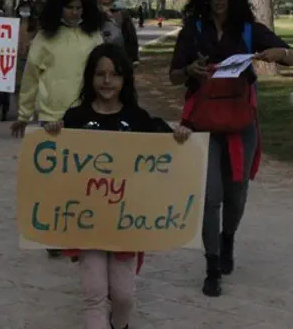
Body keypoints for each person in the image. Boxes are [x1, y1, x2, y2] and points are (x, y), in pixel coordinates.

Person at [168, 0, 293, 297]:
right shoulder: (194, 30)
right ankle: (212, 267)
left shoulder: (248, 29)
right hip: (204, 124)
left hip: (240, 123)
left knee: (236, 194)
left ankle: (227, 239)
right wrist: (190, 70)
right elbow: (173, 75)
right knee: (211, 197)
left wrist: (280, 54)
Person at [44, 44, 191, 329]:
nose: (107, 81)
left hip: (126, 224)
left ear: (125, 79)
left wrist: (180, 136)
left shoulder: (139, 119)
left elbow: (167, 149)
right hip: (86, 223)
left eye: (115, 74)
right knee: (94, 292)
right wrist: (53, 133)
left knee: (123, 295)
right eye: (100, 74)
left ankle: (120, 324)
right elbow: (58, 161)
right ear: (90, 77)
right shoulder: (74, 119)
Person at [11, 0, 103, 258]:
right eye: (69, 7)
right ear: (58, 8)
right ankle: (54, 235)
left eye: (79, 8)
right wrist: (23, 115)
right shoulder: (44, 39)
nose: (75, 12)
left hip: (88, 117)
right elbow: (30, 78)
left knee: (83, 180)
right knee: (56, 181)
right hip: (52, 119)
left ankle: (77, 235)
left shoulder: (94, 37)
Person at [97, 0, 139, 67]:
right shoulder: (93, 13)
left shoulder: (122, 13)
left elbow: (131, 37)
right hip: (99, 58)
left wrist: (134, 58)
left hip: (120, 58)